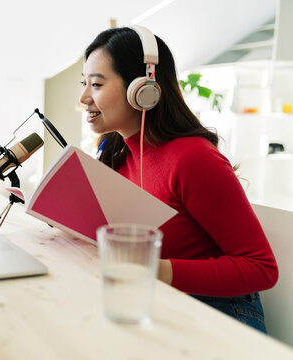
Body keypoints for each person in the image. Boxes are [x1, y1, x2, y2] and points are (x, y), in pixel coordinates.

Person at [79, 26, 278, 333]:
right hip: (161, 301)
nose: (84, 98)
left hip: (221, 313)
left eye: (96, 84)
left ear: (143, 88)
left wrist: (153, 269)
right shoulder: (118, 155)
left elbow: (261, 268)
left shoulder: (193, 158)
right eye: (85, 84)